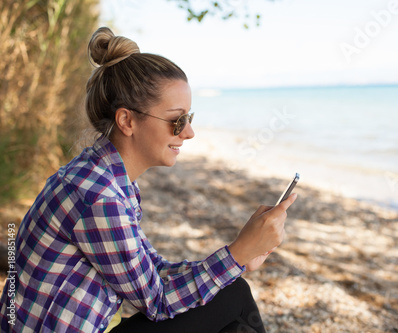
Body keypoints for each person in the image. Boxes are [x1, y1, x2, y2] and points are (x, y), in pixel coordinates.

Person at [0, 27, 297, 333]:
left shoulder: (108, 177)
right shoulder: (99, 197)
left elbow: (153, 270)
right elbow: (158, 301)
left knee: (230, 293)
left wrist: (243, 256)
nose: (189, 132)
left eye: (189, 118)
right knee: (234, 296)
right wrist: (237, 254)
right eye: (177, 120)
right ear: (127, 120)